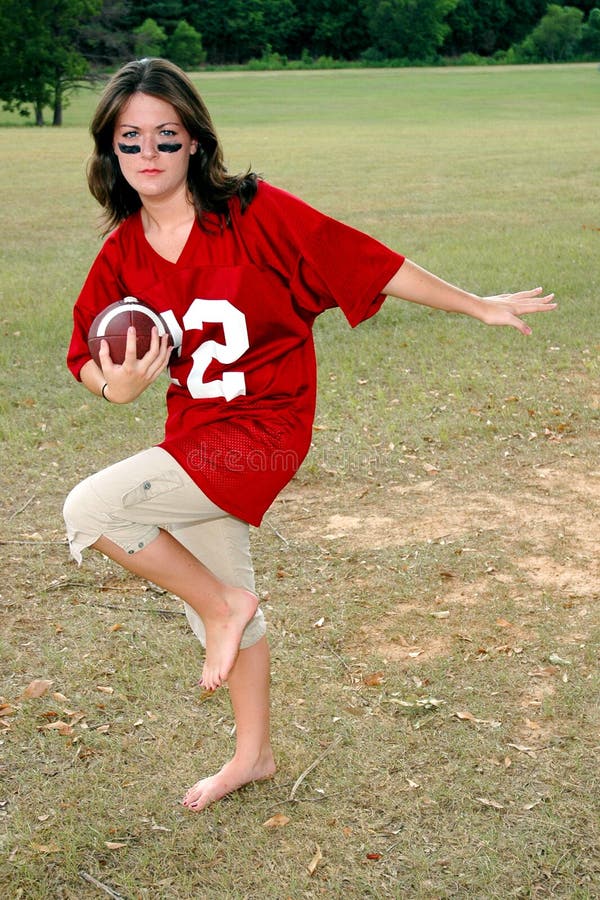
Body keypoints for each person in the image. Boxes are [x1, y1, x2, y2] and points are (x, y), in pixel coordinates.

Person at [63, 57, 556, 812]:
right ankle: (253, 753)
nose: (150, 154)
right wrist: (116, 385)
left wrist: (476, 304)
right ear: (112, 152)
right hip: (192, 432)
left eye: (167, 135)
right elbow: (86, 361)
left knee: (92, 510)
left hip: (262, 430)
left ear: (195, 140)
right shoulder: (123, 251)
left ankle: (225, 608)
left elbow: (362, 259)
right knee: (226, 592)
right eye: (132, 140)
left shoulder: (252, 213)